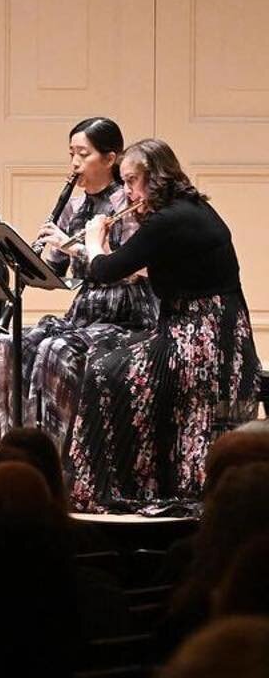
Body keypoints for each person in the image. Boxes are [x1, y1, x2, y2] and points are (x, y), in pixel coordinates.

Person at [66, 138, 261, 513]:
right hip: (217, 332)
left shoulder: (167, 220)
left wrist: (93, 240)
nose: (127, 191)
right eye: (123, 182)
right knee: (111, 360)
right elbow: (153, 266)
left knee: (105, 371)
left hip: (201, 340)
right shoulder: (192, 209)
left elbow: (104, 270)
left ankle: (117, 488)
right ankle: (143, 479)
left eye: (132, 181)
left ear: (155, 178)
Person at [0, 117, 158, 458]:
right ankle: (7, 454)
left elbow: (132, 269)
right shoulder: (74, 206)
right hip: (86, 311)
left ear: (110, 159)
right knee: (7, 343)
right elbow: (54, 275)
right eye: (71, 153)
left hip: (127, 314)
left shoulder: (128, 202)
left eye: (83, 154)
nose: (75, 163)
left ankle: (57, 462)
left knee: (55, 349)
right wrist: (22, 257)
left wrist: (73, 247)